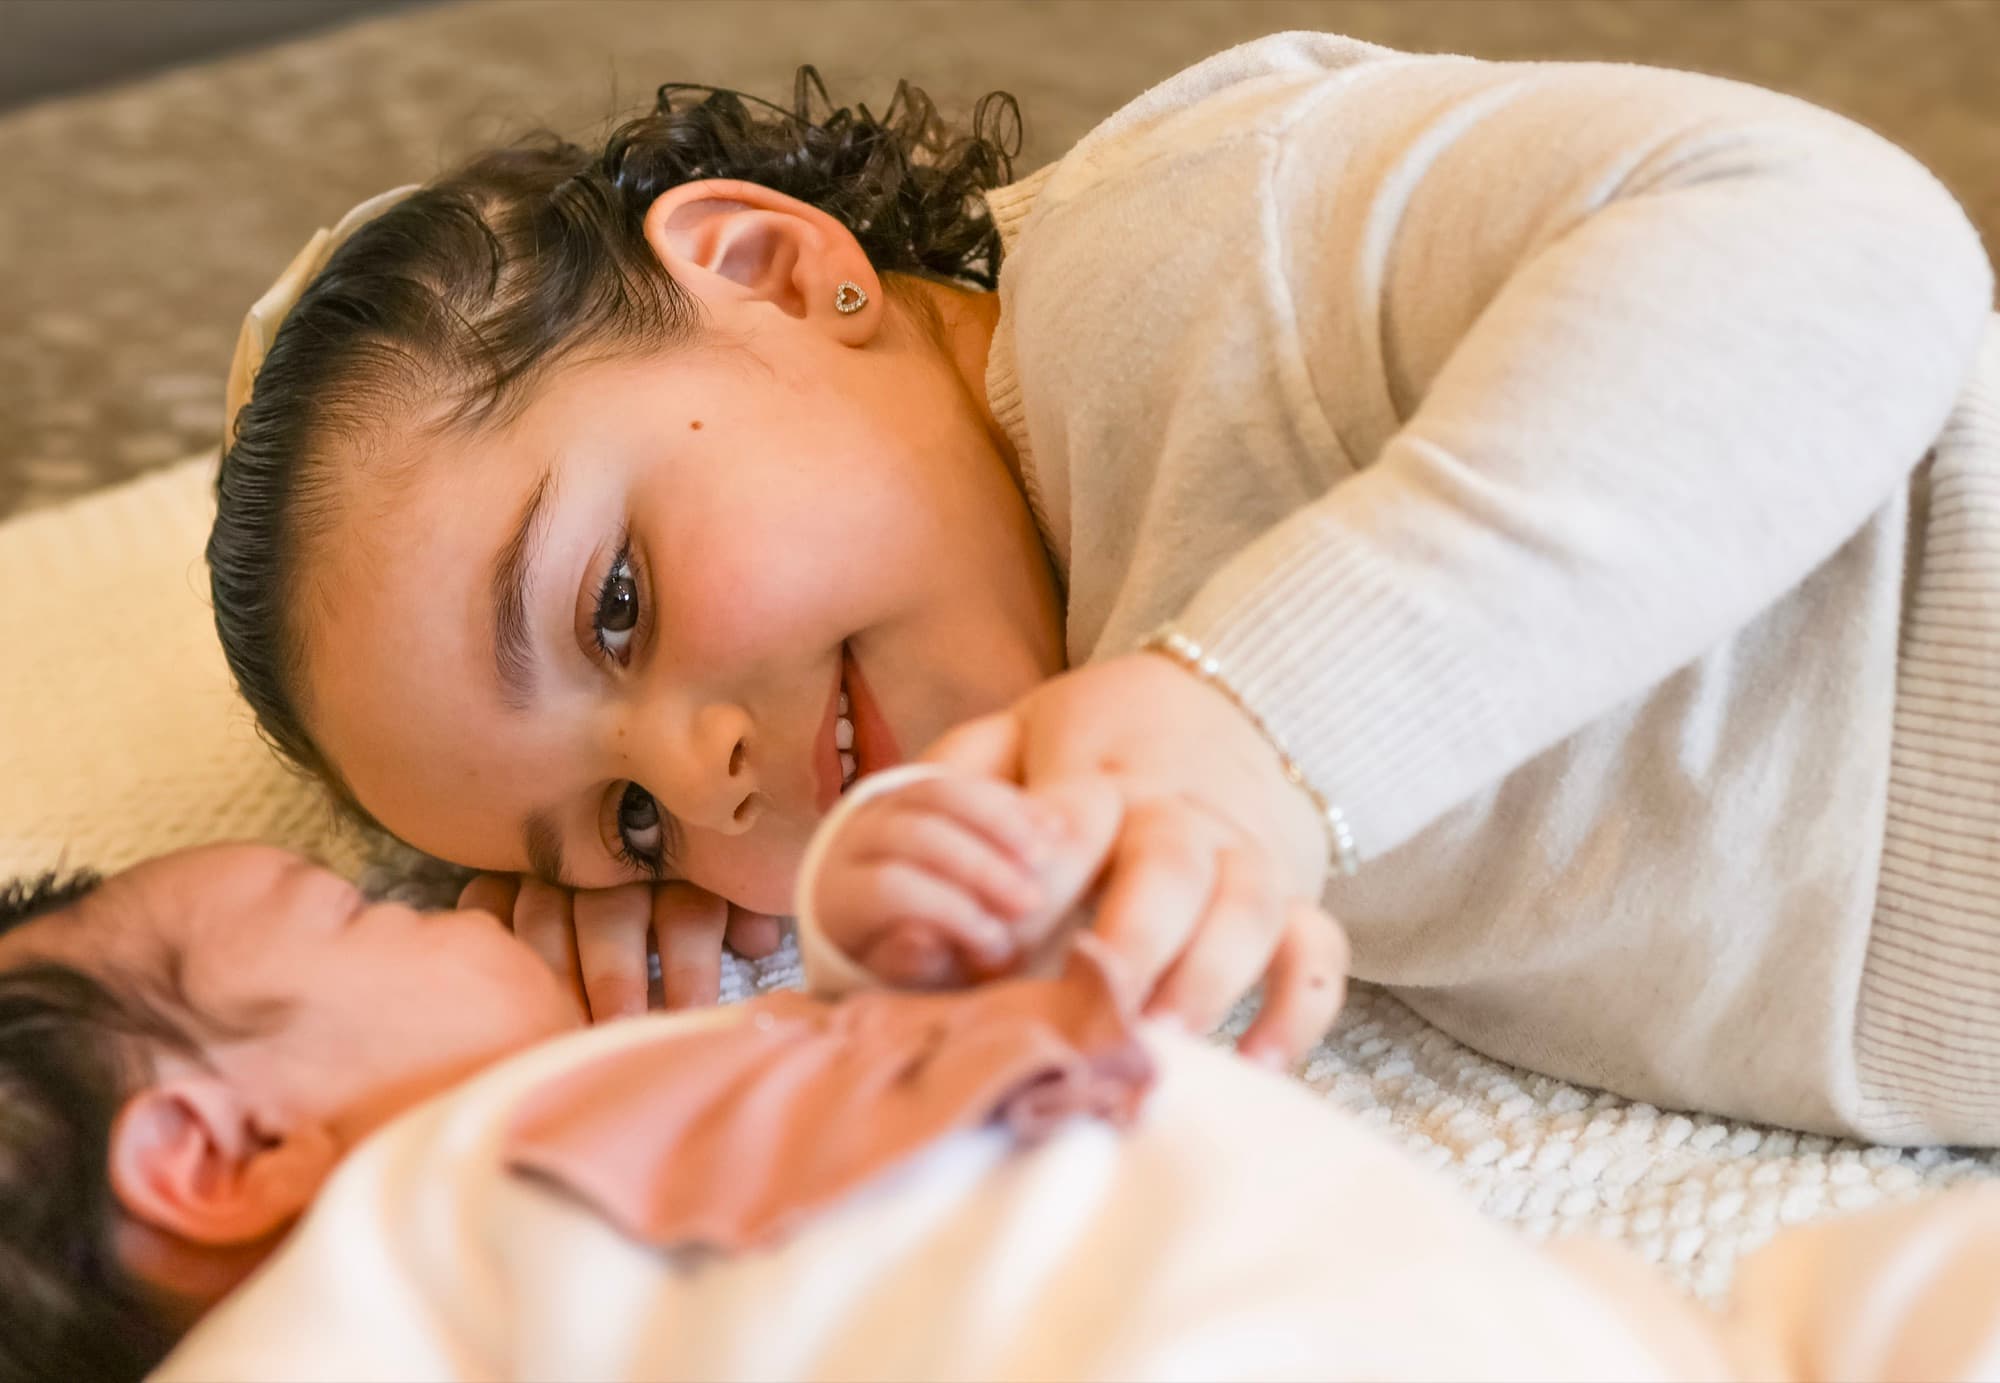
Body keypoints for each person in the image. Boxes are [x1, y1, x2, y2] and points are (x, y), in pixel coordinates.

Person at [208, 33, 2000, 1140]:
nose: (701, 772)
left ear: (767, 266)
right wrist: (650, 949)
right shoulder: (1035, 798)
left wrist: (1264, 728)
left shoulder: (1198, 254)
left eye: (610, 606)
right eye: (626, 822)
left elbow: (1846, 246)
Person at [7, 829, 2000, 1383]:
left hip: (1561, 1329)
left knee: (1881, 1302)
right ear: (211, 1146)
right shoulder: (386, 1261)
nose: (435, 887)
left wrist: (933, 906)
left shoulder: (730, 1043)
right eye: (347, 903)